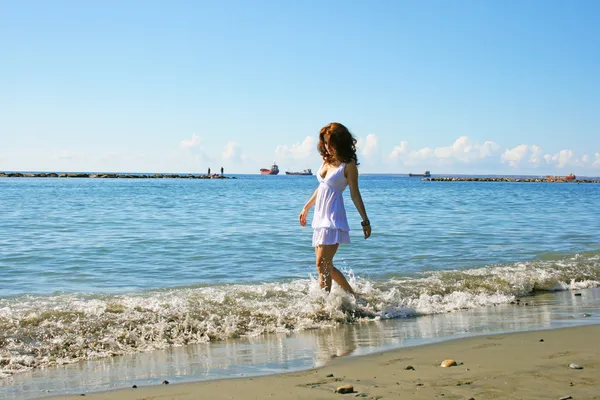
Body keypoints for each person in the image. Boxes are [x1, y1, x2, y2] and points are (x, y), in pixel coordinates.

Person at [299, 122, 371, 294]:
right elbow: (322, 187)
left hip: (333, 216)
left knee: (321, 264)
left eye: (330, 143)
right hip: (320, 217)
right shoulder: (326, 160)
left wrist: (365, 221)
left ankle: (323, 309)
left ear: (340, 142)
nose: (327, 147)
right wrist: (306, 207)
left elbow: (355, 193)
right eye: (324, 143)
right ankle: (353, 297)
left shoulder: (349, 164)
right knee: (327, 266)